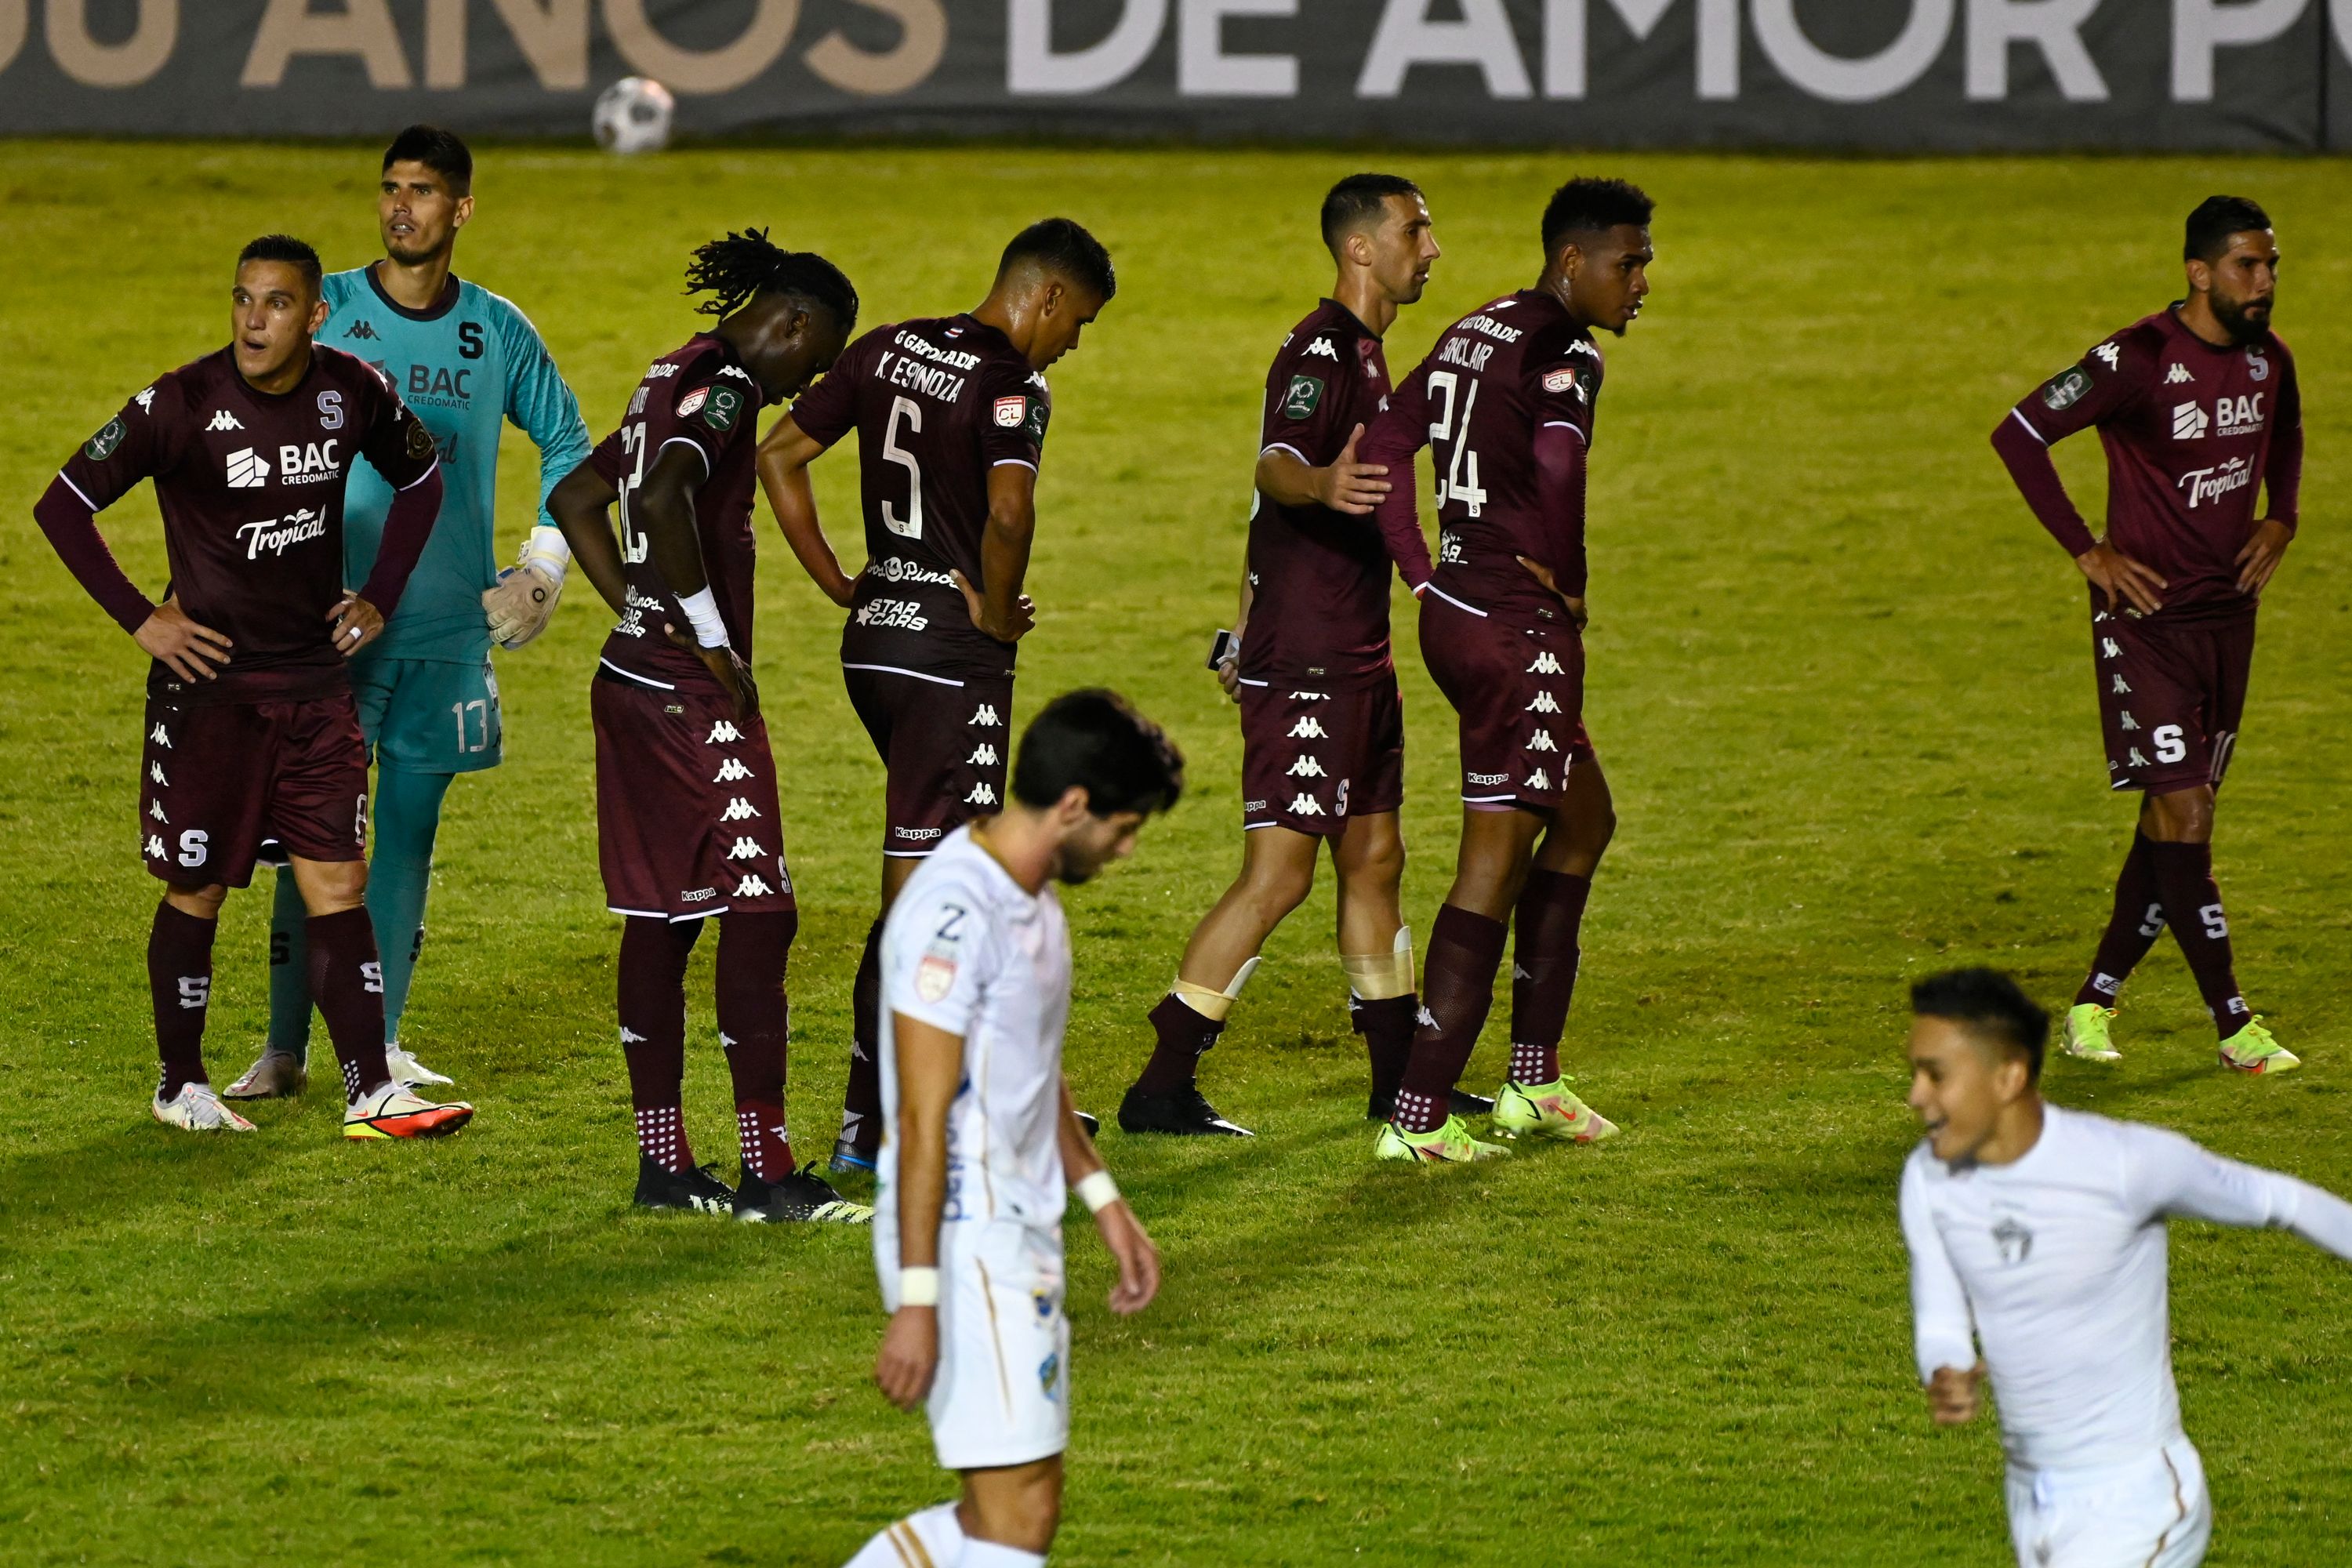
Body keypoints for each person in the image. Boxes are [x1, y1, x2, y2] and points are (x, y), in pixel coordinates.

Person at [31, 234, 474, 1138]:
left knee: (337, 881)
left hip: (315, 686)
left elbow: (423, 477)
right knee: (197, 887)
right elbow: (63, 504)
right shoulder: (181, 403)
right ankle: (180, 1083)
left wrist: (380, 595)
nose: (253, 319)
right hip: (210, 698)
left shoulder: (352, 390)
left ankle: (369, 1090)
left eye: (275, 303)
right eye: (242, 299)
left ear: (314, 315)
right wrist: (141, 617)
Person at [227, 124, 591, 1102]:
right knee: (313, 837)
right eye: (391, 188)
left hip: (441, 627)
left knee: (407, 836)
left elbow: (569, 444)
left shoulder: (498, 328)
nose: (402, 206)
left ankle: (378, 1049)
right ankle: (282, 1047)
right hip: (327, 626)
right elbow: (240, 411)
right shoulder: (328, 306)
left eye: (424, 192)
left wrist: (542, 569)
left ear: (461, 208)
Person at [755, 218, 1117, 1174]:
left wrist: (842, 578)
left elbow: (780, 454)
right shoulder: (1013, 384)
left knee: (946, 885)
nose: (1071, 344)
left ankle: (922, 1114)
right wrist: (998, 613)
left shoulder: (888, 347)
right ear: (1044, 297)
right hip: (948, 664)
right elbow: (1007, 510)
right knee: (936, 904)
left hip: (875, 642)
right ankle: (881, 1130)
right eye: (1075, 322)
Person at [1115, 173, 1455, 1139]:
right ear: (1360, 248)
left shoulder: (1372, 355)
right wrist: (1325, 478)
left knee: (1377, 857)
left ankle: (1399, 1087)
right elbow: (1273, 465)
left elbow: (1263, 513)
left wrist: (1237, 623)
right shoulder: (1319, 350)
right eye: (1415, 231)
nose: (1430, 249)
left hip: (1355, 654)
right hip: (1307, 661)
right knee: (1279, 876)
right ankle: (1161, 1083)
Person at [547, 230, 866, 1221]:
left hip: (632, 675)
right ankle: (770, 1171)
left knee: (664, 915)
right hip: (688, 690)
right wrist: (712, 637)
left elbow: (577, 494)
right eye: (810, 364)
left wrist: (636, 607)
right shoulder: (725, 382)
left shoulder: (665, 369)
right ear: (795, 322)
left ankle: (664, 1166)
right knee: (761, 910)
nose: (797, 384)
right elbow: (662, 490)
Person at [1356, 176, 1655, 1162]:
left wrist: (1421, 575)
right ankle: (1420, 1114)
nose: (1642, 280)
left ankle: (1533, 1079)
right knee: (1494, 859)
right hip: (1516, 626)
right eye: (1628, 261)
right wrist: (1568, 581)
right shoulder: (1567, 353)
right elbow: (1561, 473)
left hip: (1462, 609)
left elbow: (1389, 443)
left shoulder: (1473, 328)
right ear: (1572, 261)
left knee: (1585, 817)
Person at [845, 690, 1179, 1568]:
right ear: (1074, 806)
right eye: (1125, 826)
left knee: (1019, 1505)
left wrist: (1105, 1200)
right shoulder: (953, 914)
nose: (1126, 847)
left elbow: (1032, 1070)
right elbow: (919, 1118)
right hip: (962, 1237)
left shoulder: (1031, 899)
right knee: (1017, 1511)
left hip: (1014, 1230)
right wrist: (919, 1301)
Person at [1991, 196, 2302, 1076]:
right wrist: (2087, 550)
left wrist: (2283, 517)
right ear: (2199, 272)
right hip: (2147, 624)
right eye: (2248, 265)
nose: (2265, 281)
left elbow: (2287, 430)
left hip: (2227, 621)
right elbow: (2019, 433)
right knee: (2188, 810)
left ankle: (2093, 1000)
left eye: (2272, 264)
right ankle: (2234, 1022)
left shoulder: (2267, 360)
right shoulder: (2136, 359)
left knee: (2172, 819)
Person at [1900, 967, 2352, 1568]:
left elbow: (2282, 1202)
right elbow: (1939, 1313)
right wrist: (1946, 1367)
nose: (1916, 1096)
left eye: (1936, 1075)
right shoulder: (1929, 1179)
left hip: (2137, 1500)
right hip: (2032, 1495)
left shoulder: (2123, 1165)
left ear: (2008, 1077)